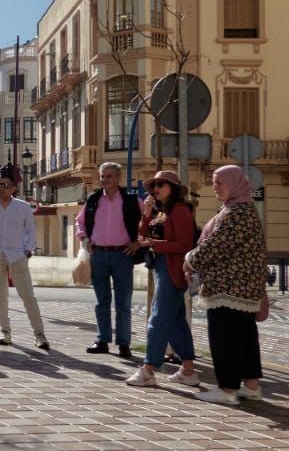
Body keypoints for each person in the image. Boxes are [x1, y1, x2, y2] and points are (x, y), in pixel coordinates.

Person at [184, 165, 268, 406]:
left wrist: (189, 259)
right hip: (242, 287)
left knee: (225, 338)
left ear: (234, 183)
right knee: (245, 338)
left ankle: (227, 388)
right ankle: (251, 386)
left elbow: (216, 245)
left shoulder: (237, 212)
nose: (215, 187)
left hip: (229, 287)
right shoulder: (240, 209)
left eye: (219, 182)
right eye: (214, 182)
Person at [126, 170, 199, 388]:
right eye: (153, 186)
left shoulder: (180, 210)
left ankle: (148, 370)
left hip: (173, 269)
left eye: (160, 185)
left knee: (157, 320)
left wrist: (155, 244)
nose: (155, 189)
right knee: (176, 322)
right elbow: (141, 236)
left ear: (172, 188)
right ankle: (188, 371)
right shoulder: (162, 211)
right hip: (162, 267)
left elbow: (186, 245)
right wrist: (147, 212)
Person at [75, 161, 143, 358]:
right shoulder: (93, 199)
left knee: (123, 302)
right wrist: (84, 239)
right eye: (102, 176)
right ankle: (102, 340)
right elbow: (80, 222)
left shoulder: (131, 200)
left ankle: (124, 344)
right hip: (98, 255)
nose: (104, 180)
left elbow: (147, 222)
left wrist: (138, 243)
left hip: (123, 255)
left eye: (109, 176)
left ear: (118, 178)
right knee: (101, 301)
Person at [0, 169, 50, 350]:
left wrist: (28, 250)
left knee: (28, 295)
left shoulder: (23, 207)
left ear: (13, 188)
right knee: (0, 296)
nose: (0, 188)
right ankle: (5, 332)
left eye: (5, 185)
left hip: (17, 255)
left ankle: (39, 334)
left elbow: (30, 230)